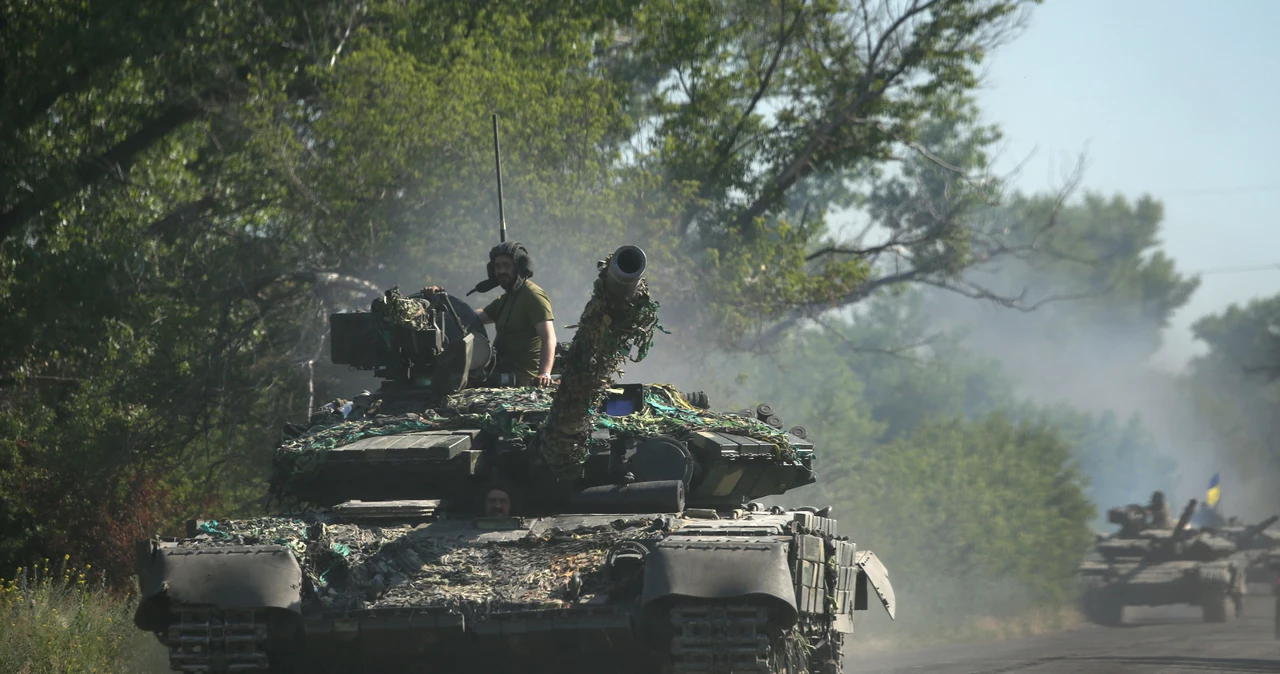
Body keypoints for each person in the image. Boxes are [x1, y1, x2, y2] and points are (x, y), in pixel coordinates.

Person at [470, 242, 557, 387]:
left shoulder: (533, 296)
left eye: (506, 265)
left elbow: (549, 338)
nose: (501, 271)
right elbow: (474, 318)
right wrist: (441, 303)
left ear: (520, 267)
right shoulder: (506, 299)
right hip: (499, 377)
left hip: (523, 383)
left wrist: (544, 373)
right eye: (497, 267)